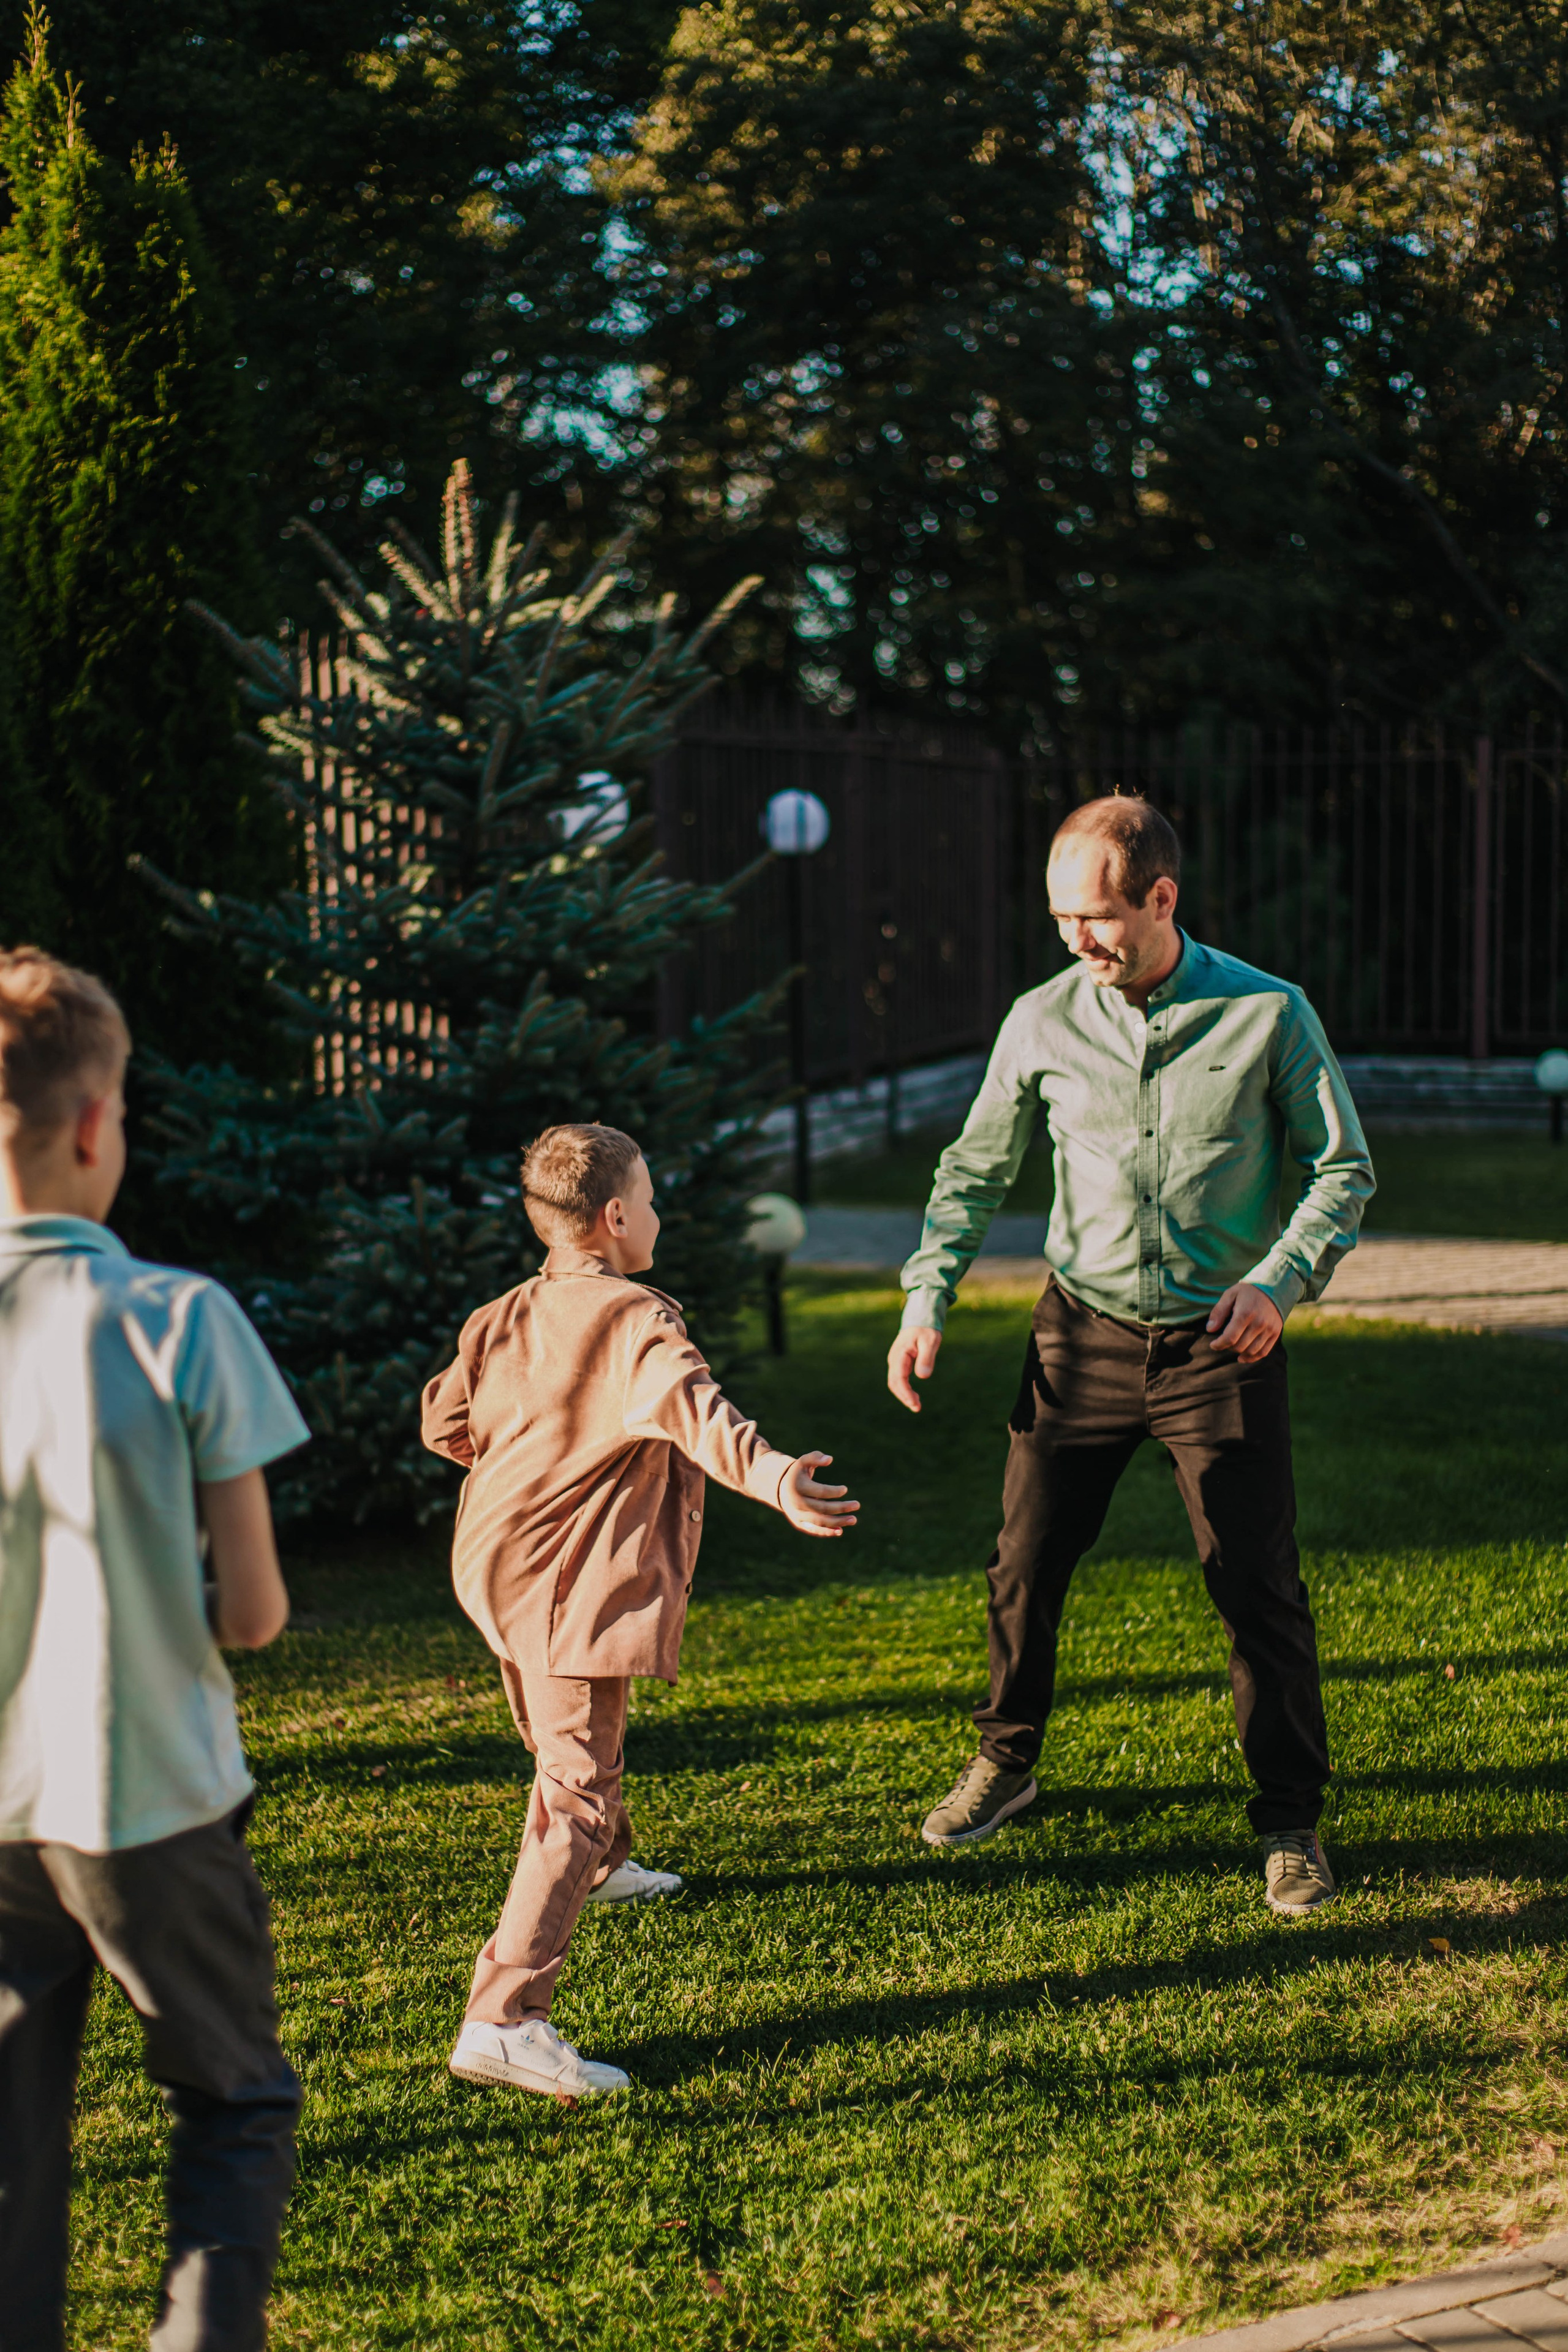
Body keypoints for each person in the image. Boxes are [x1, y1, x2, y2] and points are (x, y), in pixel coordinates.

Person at [888, 797, 1374, 1917]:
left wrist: (1280, 1280)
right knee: (1026, 1566)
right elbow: (972, 1172)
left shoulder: (1269, 1013)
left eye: (1096, 917)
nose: (1076, 940)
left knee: (1256, 1585)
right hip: (1080, 1337)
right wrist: (927, 1300)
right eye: (1061, 918)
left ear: (1161, 898)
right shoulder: (1041, 1019)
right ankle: (1006, 1767)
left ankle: (1290, 1821)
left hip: (1223, 1344)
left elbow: (1342, 1171)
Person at [0, 948, 309, 2352]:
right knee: (230, 2097)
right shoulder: (183, 1318)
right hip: (152, 1800)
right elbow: (251, 1614)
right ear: (90, 1125)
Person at [421, 1121, 858, 2101]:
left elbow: (443, 1420)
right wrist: (781, 1478)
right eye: (651, 1200)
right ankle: (504, 2018)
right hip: (567, 1581)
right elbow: (697, 1412)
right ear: (615, 1219)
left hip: (492, 1565)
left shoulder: (501, 1314)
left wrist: (528, 1460)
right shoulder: (636, 1321)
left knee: (557, 1737)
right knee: (574, 1781)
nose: (657, 1214)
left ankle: (605, 1866)